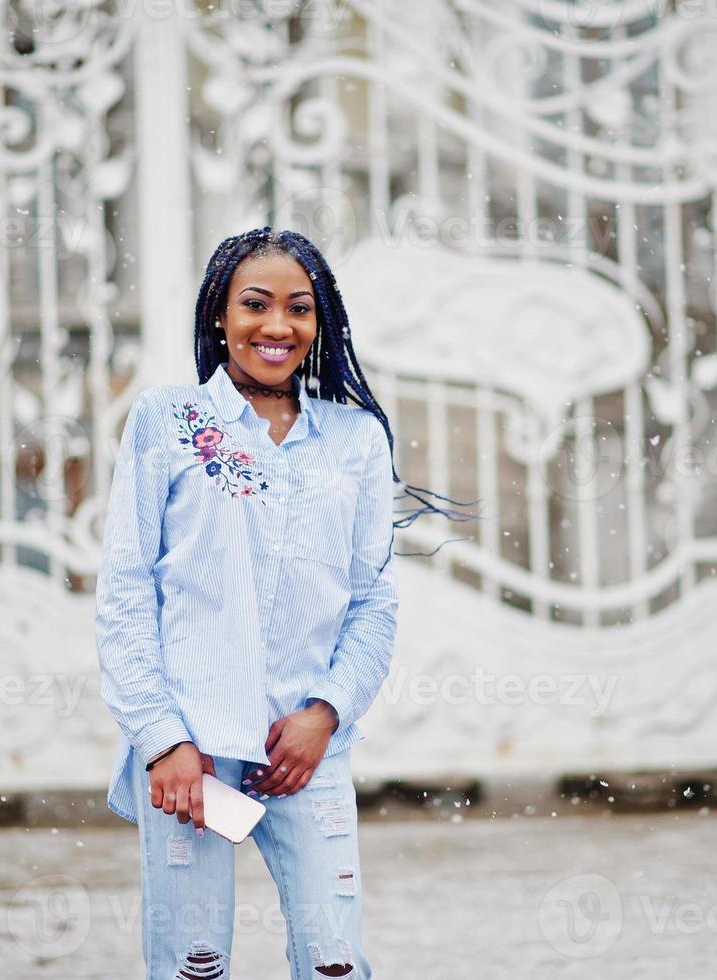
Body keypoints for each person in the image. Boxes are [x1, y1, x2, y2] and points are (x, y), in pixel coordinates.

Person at [94, 227, 475, 979]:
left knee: (335, 960)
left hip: (302, 750)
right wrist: (160, 737)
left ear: (319, 322)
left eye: (298, 308)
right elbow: (126, 590)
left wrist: (325, 712)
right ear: (218, 316)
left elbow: (370, 599)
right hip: (190, 749)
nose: (276, 326)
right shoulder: (168, 423)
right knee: (190, 966)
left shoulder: (355, 440)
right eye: (255, 305)